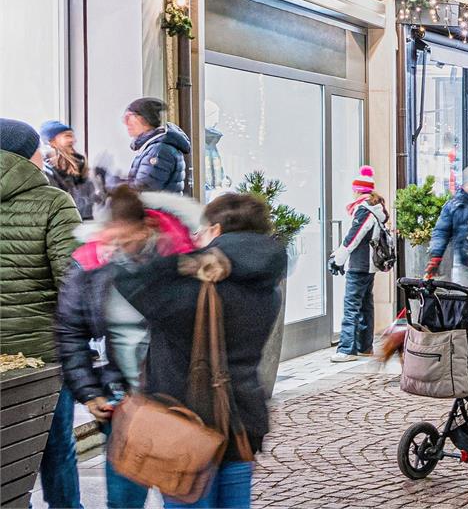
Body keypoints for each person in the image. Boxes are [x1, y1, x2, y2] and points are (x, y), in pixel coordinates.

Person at [114, 190, 289, 509]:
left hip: (189, 425)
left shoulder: (197, 288)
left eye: (203, 230)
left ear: (217, 232)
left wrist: (178, 256)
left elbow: (132, 282)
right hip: (242, 423)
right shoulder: (267, 285)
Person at [55, 184, 199, 508]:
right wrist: (90, 392)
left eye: (126, 237)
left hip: (174, 402)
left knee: (181, 499)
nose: (118, 246)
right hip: (121, 406)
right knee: (123, 501)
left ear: (145, 227)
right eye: (111, 237)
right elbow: (70, 330)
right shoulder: (90, 267)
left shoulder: (178, 262)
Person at [2, 117, 83, 509]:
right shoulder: (52, 202)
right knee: (56, 448)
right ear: (26, 154)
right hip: (41, 354)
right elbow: (74, 278)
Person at [329, 166, 387, 361]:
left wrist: (339, 258)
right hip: (368, 265)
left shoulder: (364, 210)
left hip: (360, 264)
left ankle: (347, 349)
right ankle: (364, 346)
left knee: (351, 304)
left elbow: (354, 237)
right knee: (364, 305)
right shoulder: (374, 208)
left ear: (357, 191)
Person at [123, 98, 190, 194]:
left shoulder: (159, 151)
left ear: (145, 119)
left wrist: (113, 185)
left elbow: (146, 188)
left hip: (158, 208)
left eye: (129, 117)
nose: (126, 123)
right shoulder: (152, 147)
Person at [41, 121, 95, 220]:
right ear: (52, 141)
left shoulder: (80, 166)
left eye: (72, 136)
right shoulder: (47, 173)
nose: (73, 140)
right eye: (67, 136)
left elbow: (90, 202)